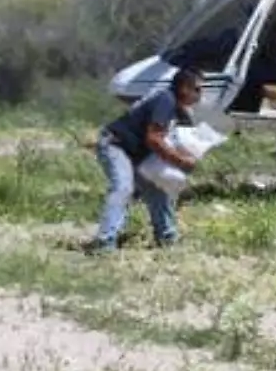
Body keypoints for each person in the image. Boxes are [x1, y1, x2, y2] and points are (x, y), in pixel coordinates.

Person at [84, 68, 204, 254]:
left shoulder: (177, 108)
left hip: (135, 151)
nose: (199, 95)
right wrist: (180, 161)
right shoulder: (166, 101)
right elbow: (154, 139)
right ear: (184, 88)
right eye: (197, 89)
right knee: (123, 187)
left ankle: (167, 238)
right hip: (116, 145)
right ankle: (104, 242)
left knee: (157, 188)